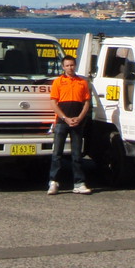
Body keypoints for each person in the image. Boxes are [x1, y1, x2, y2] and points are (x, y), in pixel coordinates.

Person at [47, 54, 92, 195]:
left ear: (75, 65)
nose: (70, 68)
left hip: (77, 123)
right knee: (57, 154)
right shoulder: (58, 82)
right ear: (63, 67)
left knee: (77, 155)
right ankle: (53, 182)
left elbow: (86, 103)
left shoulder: (82, 82)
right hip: (62, 122)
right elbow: (53, 103)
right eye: (67, 65)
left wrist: (79, 118)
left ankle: (79, 183)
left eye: (72, 65)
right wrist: (65, 118)